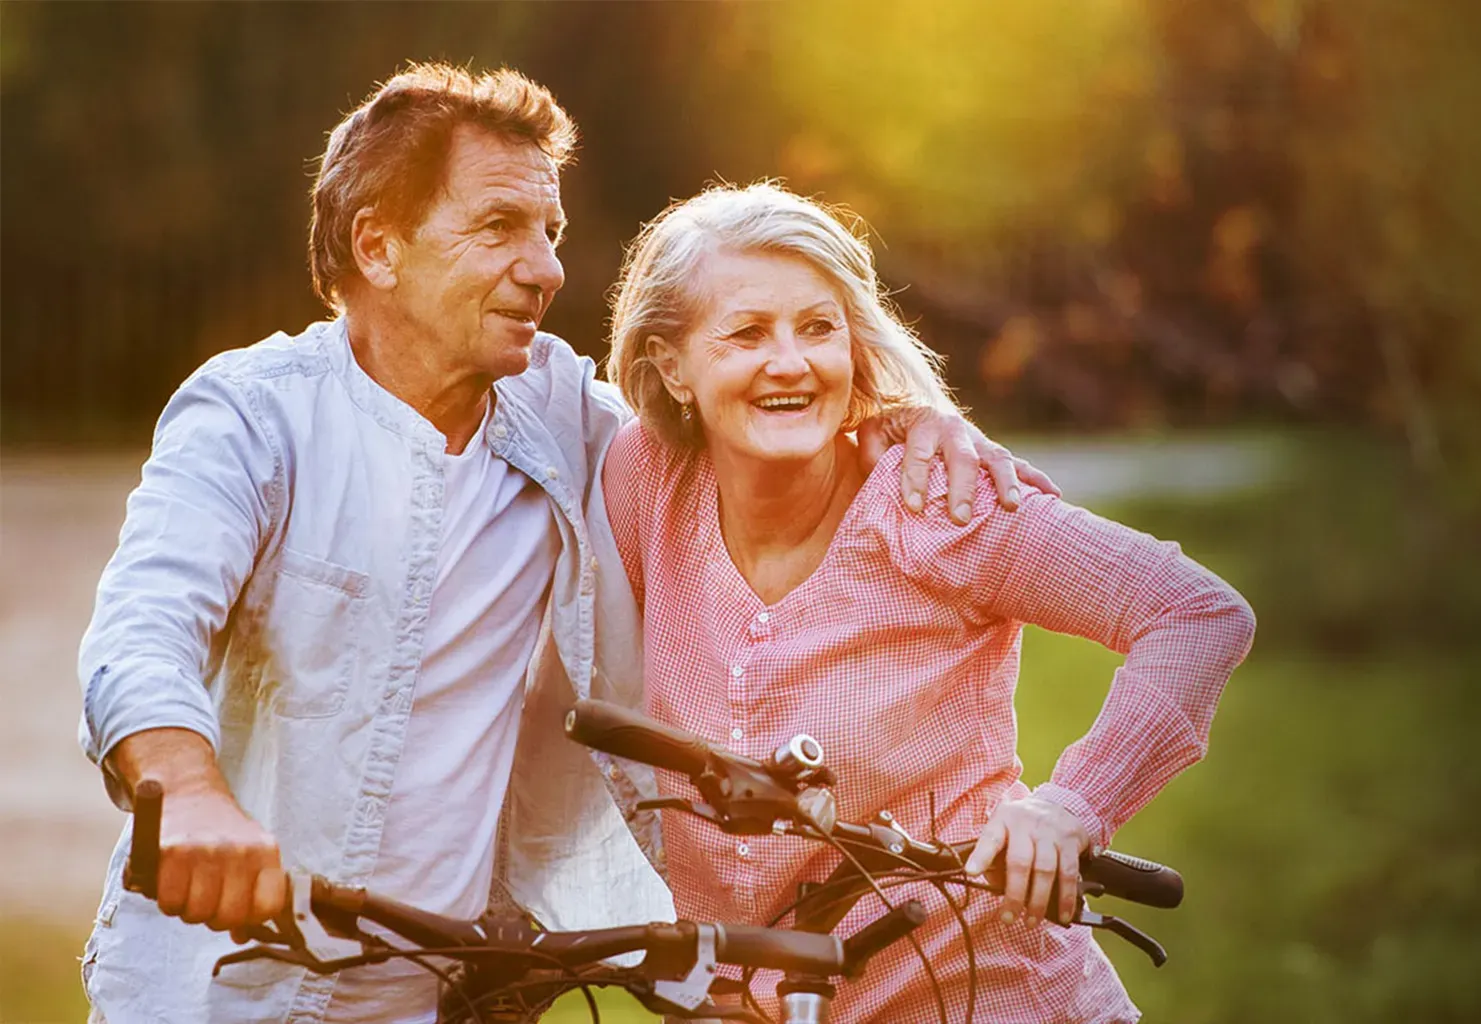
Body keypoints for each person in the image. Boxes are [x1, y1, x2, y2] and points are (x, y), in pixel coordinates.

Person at [75, 64, 1037, 1023]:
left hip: (444, 993)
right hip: (212, 990)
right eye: (500, 227)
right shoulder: (252, 416)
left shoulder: (566, 417)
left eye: (551, 232)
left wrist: (903, 420)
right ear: (379, 246)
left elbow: (740, 422)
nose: (547, 267)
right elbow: (141, 632)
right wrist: (190, 796)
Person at [600, 182, 1257, 1022]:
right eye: (747, 333)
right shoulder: (646, 482)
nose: (792, 361)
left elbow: (1196, 616)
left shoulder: (936, 506)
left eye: (818, 327)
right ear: (671, 366)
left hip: (988, 996)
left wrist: (1070, 809)